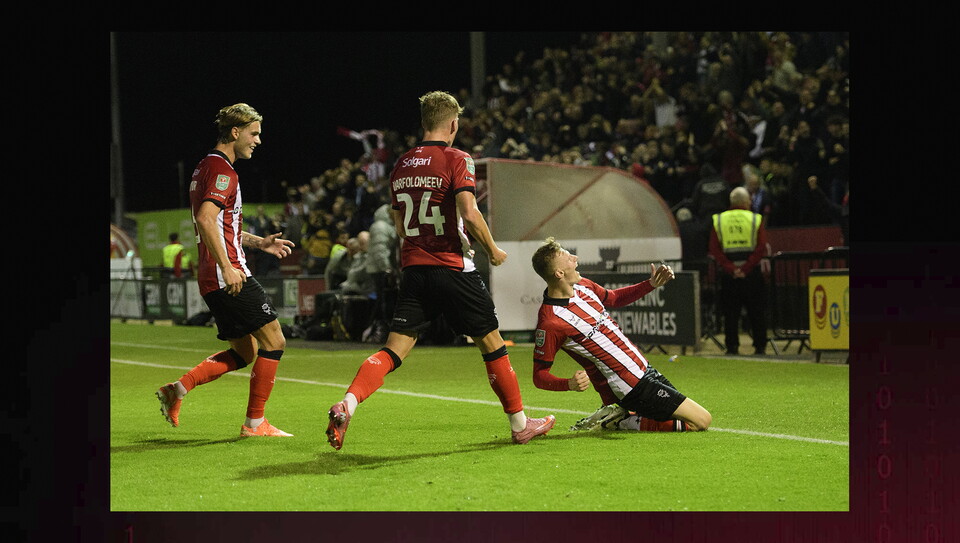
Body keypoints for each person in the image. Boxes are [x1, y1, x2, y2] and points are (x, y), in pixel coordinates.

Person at [325, 90, 555, 449]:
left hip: (414, 270)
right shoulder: (458, 158)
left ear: (423, 124)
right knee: (492, 345)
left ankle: (348, 403)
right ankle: (521, 424)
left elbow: (399, 224)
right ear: (453, 123)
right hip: (452, 267)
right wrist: (492, 250)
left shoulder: (401, 164)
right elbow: (469, 212)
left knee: (392, 351)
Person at [155, 103, 296, 437]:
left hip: (211, 277)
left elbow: (220, 225)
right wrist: (228, 266)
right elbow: (206, 219)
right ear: (235, 132)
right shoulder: (223, 172)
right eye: (254, 133)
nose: (258, 141)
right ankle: (255, 424)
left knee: (245, 351)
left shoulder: (205, 166)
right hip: (226, 274)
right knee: (274, 341)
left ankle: (178, 390)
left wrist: (259, 242)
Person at [529, 237, 712, 433]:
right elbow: (539, 376)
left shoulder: (583, 287)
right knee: (701, 421)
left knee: (680, 417)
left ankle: (619, 415)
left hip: (644, 368)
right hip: (631, 385)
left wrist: (650, 284)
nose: (575, 258)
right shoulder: (551, 321)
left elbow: (615, 299)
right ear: (559, 273)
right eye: (568, 258)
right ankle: (619, 422)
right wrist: (569, 384)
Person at [709, 186, 769, 355]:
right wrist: (746, 267)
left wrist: (731, 269)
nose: (750, 202)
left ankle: (732, 347)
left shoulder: (719, 220)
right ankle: (760, 346)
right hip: (752, 274)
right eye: (749, 200)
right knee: (756, 311)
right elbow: (761, 247)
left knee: (730, 313)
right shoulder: (755, 219)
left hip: (729, 276)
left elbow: (714, 248)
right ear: (744, 202)